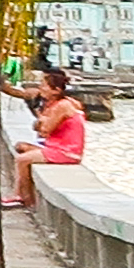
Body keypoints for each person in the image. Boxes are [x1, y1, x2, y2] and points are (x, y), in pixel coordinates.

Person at [17, 58, 88, 211]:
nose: (41, 88)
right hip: (56, 147)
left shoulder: (63, 106)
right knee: (22, 148)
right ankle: (22, 195)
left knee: (22, 160)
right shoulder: (60, 104)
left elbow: (44, 130)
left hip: (65, 152)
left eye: (44, 86)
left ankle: (24, 198)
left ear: (55, 90)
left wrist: (40, 116)